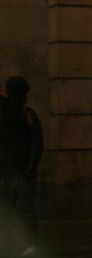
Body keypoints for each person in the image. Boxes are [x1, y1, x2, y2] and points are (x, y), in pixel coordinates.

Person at [0, 76, 43, 257]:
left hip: (6, 171)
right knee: (26, 210)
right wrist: (30, 170)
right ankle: (29, 244)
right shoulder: (29, 115)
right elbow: (37, 145)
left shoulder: (6, 112)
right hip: (21, 172)